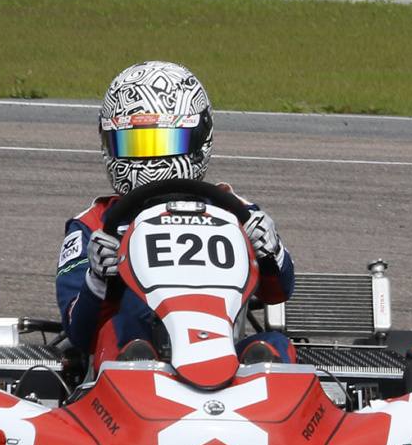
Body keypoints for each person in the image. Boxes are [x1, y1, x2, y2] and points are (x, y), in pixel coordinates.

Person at [56, 60, 296, 370]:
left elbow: (277, 293)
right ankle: (138, 367)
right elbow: (81, 335)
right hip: (133, 371)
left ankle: (265, 394)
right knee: (122, 333)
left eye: (166, 142)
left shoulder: (235, 211)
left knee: (277, 346)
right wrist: (98, 280)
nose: (151, 157)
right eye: (134, 144)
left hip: (223, 356)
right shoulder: (93, 226)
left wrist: (271, 251)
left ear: (199, 141)